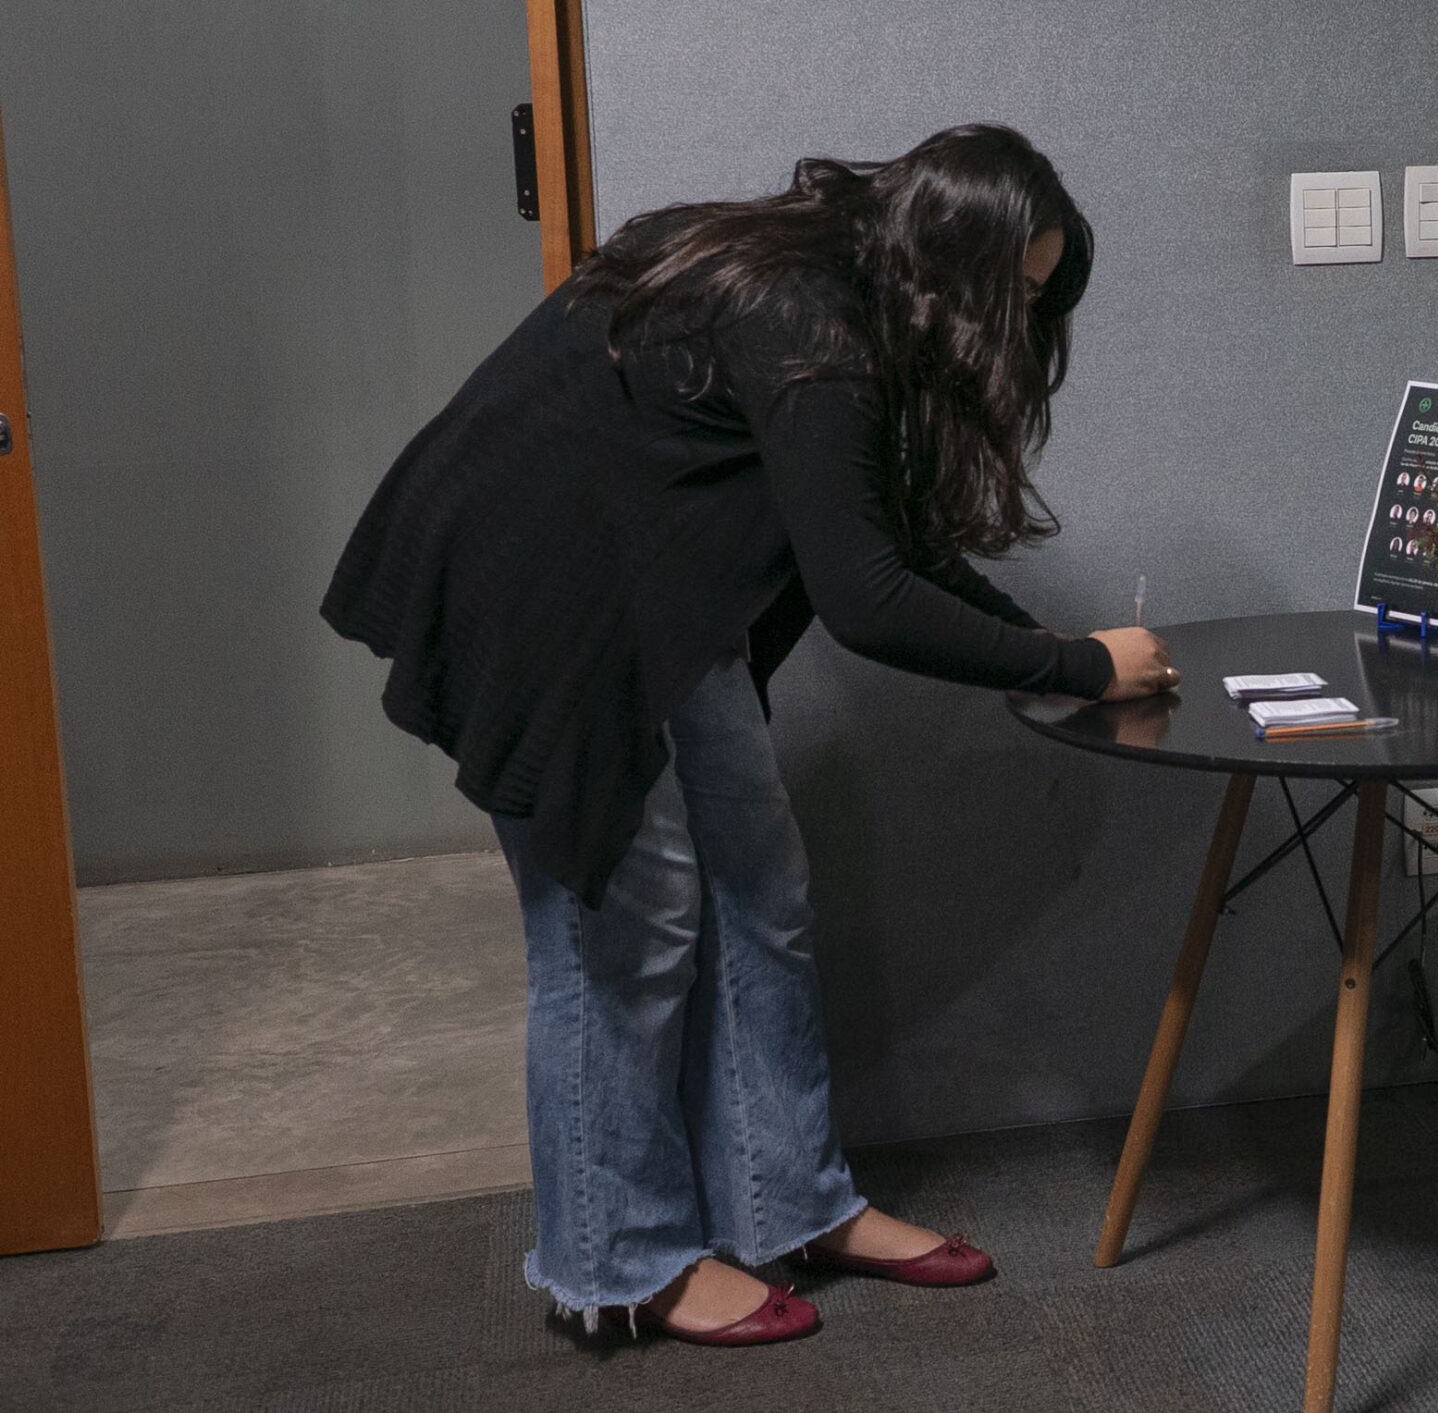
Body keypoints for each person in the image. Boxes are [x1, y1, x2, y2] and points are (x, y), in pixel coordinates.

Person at [323, 124, 1177, 1346]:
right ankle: (619, 1261)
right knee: (626, 920)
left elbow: (890, 544)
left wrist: (1066, 655)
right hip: (542, 596)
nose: (1019, 322)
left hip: (657, 596)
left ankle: (791, 1200)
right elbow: (865, 599)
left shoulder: (855, 289)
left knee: (758, 879)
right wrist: (1076, 662)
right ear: (950, 254)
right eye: (1015, 293)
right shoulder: (808, 319)